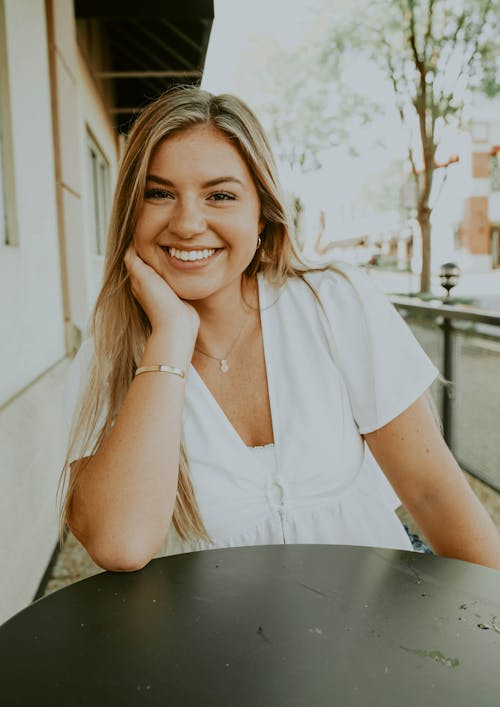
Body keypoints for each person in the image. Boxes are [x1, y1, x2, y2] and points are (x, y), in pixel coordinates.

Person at [61, 87, 500, 572]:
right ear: (130, 213)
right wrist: (170, 336)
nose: (187, 223)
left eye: (220, 195)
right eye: (159, 193)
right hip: (216, 649)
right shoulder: (111, 351)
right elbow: (119, 543)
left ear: (263, 213)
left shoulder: (334, 302)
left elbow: (434, 494)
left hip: (371, 637)